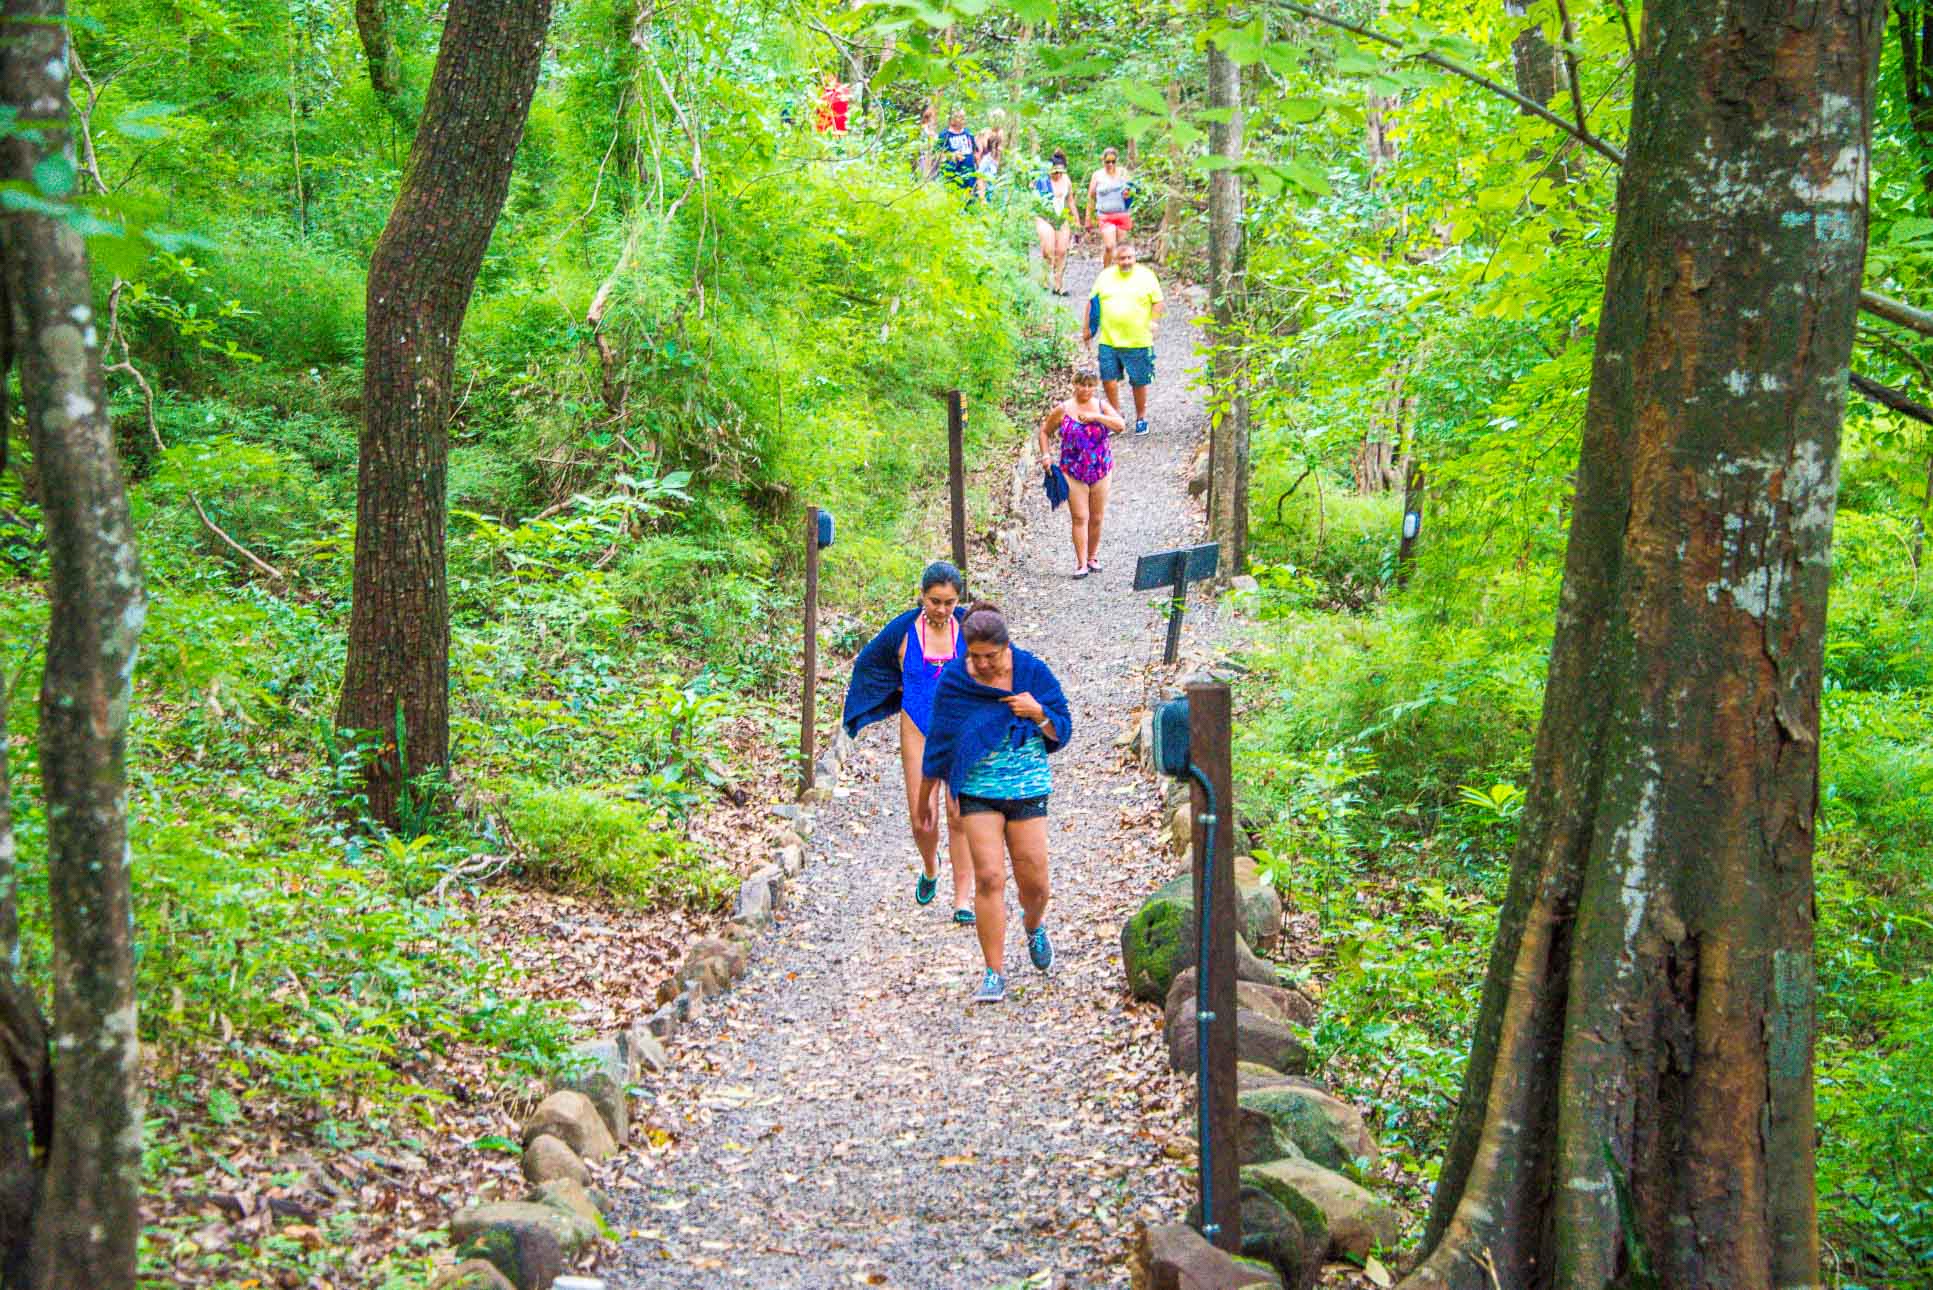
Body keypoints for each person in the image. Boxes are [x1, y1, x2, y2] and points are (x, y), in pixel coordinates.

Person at [917, 603, 1071, 1003]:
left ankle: (1033, 925)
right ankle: (993, 972)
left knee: (1036, 884)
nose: (984, 664)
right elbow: (939, 741)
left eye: (992, 656)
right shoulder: (956, 681)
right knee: (989, 877)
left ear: (1007, 647)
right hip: (977, 789)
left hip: (1026, 787)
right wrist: (925, 797)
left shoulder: (1032, 672)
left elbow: (1063, 729)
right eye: (976, 656)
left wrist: (1037, 713)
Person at [840, 563, 977, 923]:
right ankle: (931, 867)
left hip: (961, 729)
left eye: (949, 602)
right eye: (935, 601)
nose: (942, 609)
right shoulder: (903, 631)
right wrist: (889, 693)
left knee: (959, 814)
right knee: (923, 818)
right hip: (917, 724)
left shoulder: (969, 626)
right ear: (922, 596)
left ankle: (962, 900)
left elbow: (998, 661)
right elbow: (868, 663)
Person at [1037, 368, 1125, 578]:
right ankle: (1081, 563)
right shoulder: (1063, 409)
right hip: (1072, 469)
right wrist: (1046, 455)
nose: (1085, 389)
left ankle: (1092, 557)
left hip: (1101, 467)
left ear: (1095, 387)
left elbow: (1120, 425)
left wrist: (1096, 417)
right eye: (1081, 384)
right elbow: (1045, 431)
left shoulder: (1102, 406)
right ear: (1074, 385)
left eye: (1090, 385)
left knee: (1097, 517)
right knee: (1079, 516)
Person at [1088, 241, 1164, 436]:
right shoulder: (1105, 277)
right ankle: (1116, 417)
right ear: (1115, 259)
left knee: (1139, 381)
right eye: (1122, 258)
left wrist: (1154, 322)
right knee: (1108, 380)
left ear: (1135, 258)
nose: (1126, 262)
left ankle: (1141, 418)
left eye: (1130, 257)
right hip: (1109, 339)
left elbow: (1158, 301)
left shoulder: (1146, 276)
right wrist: (1087, 329)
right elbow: (1092, 302)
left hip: (1138, 340)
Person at [1031, 151, 1080, 295]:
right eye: (1055, 172)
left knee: (1062, 251)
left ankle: (1058, 283)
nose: (1058, 175)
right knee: (1048, 250)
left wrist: (1076, 219)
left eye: (1060, 172)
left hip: (1061, 218)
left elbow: (1070, 201)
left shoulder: (1066, 181)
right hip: (1044, 217)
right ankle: (1045, 279)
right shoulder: (1041, 180)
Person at [1087, 147, 1134, 268]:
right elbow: (1091, 197)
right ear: (1103, 161)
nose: (1110, 164)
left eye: (1113, 161)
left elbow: (1132, 191)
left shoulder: (1123, 173)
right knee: (1109, 246)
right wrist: (1088, 218)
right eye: (1107, 161)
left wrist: (1128, 194)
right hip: (1105, 215)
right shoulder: (1097, 175)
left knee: (1122, 249)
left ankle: (1121, 272)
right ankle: (1106, 271)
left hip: (1122, 213)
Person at [935, 110, 978, 201]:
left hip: (969, 172)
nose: (963, 120)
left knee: (970, 198)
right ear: (952, 119)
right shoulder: (945, 135)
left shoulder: (968, 133)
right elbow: (938, 154)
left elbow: (974, 151)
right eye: (959, 117)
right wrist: (952, 155)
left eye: (963, 117)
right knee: (954, 198)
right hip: (953, 173)